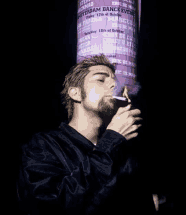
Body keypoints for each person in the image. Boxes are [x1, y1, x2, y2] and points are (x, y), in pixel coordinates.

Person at [16, 54, 156, 215]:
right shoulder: (44, 145)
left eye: (115, 81)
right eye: (100, 80)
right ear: (75, 93)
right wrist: (111, 141)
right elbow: (48, 207)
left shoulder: (124, 152)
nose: (114, 84)